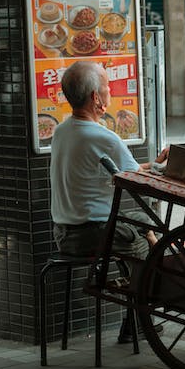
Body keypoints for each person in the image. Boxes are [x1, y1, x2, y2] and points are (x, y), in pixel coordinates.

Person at [50, 61, 166, 341]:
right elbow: (138, 178)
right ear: (95, 98)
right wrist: (164, 168)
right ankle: (138, 320)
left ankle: (136, 318)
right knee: (143, 246)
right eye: (107, 87)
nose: (110, 92)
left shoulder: (61, 131)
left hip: (63, 233)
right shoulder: (104, 137)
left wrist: (154, 165)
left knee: (141, 226)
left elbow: (129, 171)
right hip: (91, 234)